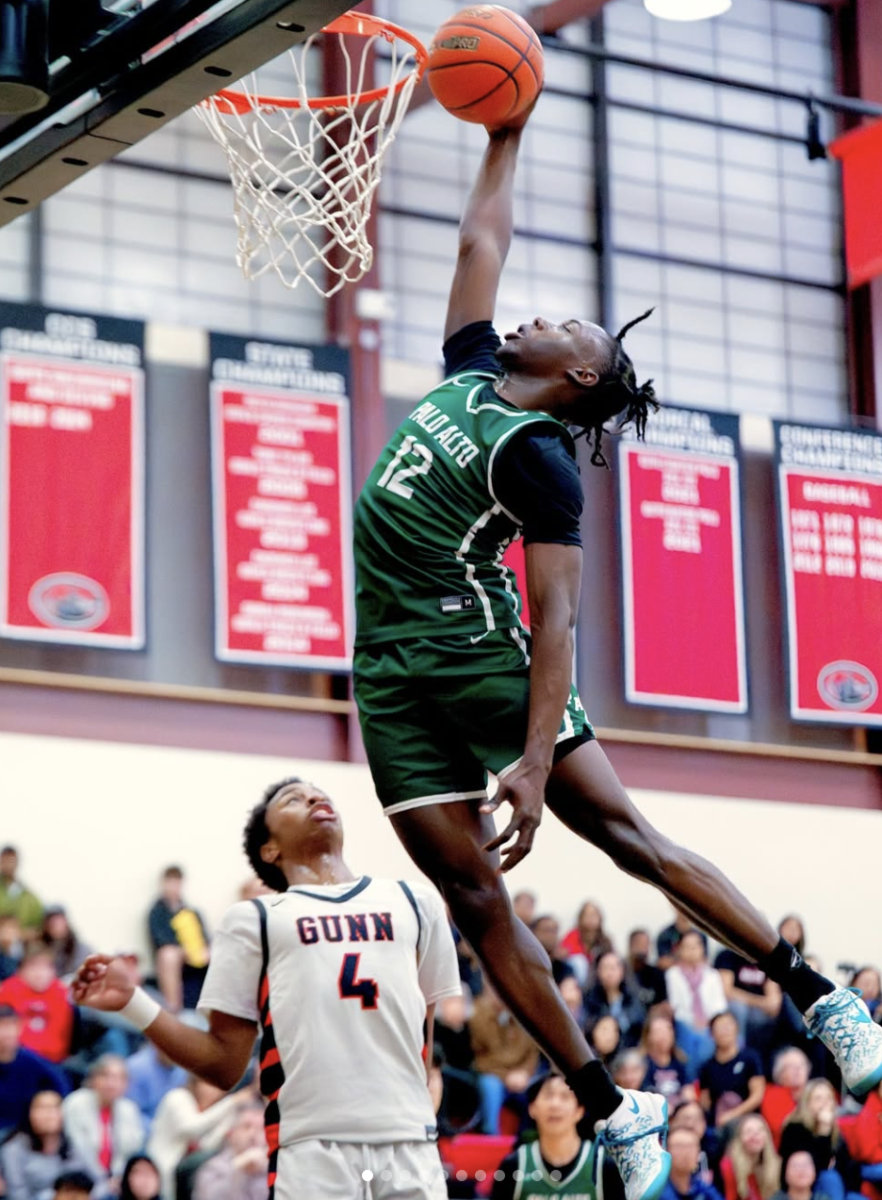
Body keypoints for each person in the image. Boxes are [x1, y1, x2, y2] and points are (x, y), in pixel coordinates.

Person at [350, 103, 882, 1200]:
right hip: (384, 669)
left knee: (630, 839)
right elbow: (479, 244)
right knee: (476, 902)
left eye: (576, 326)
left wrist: (537, 759)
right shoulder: (468, 369)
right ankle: (611, 1108)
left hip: (476, 657)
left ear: (585, 376)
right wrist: (505, 129)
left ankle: (820, 992)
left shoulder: (540, 459)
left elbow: (559, 621)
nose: (546, 316)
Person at [71, 777, 461, 1200]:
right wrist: (133, 1002)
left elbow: (423, 1038)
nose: (314, 797)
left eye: (318, 793)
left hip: (409, 1139)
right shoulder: (253, 919)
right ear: (270, 849)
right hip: (312, 1146)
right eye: (293, 800)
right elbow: (224, 1064)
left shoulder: (415, 901)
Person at [491, 1073, 623, 1200]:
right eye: (548, 1096)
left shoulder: (604, 1166)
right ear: (532, 1108)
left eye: (565, 1096)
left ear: (579, 1111)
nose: (555, 1104)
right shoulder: (513, 1165)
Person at [146, 1074, 252, 1199]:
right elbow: (192, 1128)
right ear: (195, 1083)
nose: (212, 1091)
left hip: (186, 1177)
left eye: (218, 1087)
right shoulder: (178, 1097)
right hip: (160, 1170)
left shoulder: (216, 1110)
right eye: (207, 1084)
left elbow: (207, 1146)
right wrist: (231, 1102)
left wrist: (228, 1118)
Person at [61, 1055, 144, 1195]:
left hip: (116, 1183)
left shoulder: (129, 1110)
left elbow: (131, 1151)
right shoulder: (76, 1103)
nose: (111, 1084)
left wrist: (118, 1179)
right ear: (93, 1079)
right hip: (79, 1177)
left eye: (119, 1078)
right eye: (105, 1076)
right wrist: (104, 1182)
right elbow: (79, 1151)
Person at [469, 982, 539, 1134]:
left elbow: (532, 1053)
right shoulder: (477, 1013)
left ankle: (527, 1138)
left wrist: (525, 1073)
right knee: (490, 1086)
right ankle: (491, 1137)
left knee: (539, 1088)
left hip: (521, 1075)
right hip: (492, 1074)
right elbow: (479, 1057)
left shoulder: (524, 1012)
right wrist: (506, 1075)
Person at [0, 1090, 93, 1200]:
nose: (49, 1114)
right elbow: (17, 1194)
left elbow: (100, 1182)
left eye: (55, 1107)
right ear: (29, 1113)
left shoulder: (75, 1143)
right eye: (41, 1108)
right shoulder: (12, 1149)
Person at [146, 867, 211, 1014]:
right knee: (168, 955)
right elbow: (161, 941)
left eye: (177, 883)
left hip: (197, 954)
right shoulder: (157, 912)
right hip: (175, 957)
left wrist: (204, 950)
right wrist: (184, 951)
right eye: (171, 882)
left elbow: (205, 937)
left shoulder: (192, 912)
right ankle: (174, 1009)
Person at [0, 1004, 69, 1139]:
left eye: (12, 1026)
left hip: (23, 1134)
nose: (7, 1033)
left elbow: (61, 1089)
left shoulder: (34, 1063)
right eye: (2, 1027)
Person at [0, 944, 75, 1065]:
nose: (39, 973)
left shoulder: (61, 993)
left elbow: (60, 1040)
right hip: (13, 1058)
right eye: (33, 966)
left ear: (54, 971)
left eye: (45, 967)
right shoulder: (8, 991)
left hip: (51, 1061)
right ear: (21, 970)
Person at [698, 1012, 765, 1132]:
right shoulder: (707, 1067)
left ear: (737, 1029)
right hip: (719, 1125)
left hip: (748, 1121)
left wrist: (733, 1114)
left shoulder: (750, 1058)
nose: (725, 1031)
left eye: (728, 1025)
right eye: (719, 1027)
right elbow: (705, 1102)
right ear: (712, 1034)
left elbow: (757, 1095)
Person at [192, 1102, 268, 1200]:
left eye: (261, 1129)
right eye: (246, 1127)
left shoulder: (273, 1168)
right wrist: (238, 1167)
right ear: (231, 1132)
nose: (253, 1134)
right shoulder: (213, 1168)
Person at [584, 952, 646, 1048]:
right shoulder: (590, 1000)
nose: (609, 973)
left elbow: (638, 1028)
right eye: (605, 968)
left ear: (622, 971)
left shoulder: (633, 1000)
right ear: (598, 972)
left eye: (613, 968)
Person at [641, 1012, 696, 1109]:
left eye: (667, 1030)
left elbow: (688, 1089)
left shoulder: (680, 1061)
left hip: (678, 1111)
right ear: (648, 1036)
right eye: (658, 1032)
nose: (664, 1036)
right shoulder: (643, 1063)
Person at [720, 1115, 781, 1200]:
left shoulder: (776, 1164)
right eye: (748, 1131)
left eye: (760, 1130)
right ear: (740, 1138)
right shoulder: (729, 1165)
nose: (755, 1135)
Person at [761, 1049, 811, 1149]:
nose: (798, 1069)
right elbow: (781, 1127)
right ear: (780, 1074)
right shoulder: (772, 1095)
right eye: (791, 1066)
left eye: (802, 1065)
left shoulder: (818, 1092)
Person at [660, 1127, 724, 1200]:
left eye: (691, 1147)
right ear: (667, 1151)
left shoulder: (702, 1188)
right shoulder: (657, 1190)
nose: (686, 1153)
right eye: (679, 1147)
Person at [38, 909, 92, 984]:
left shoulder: (80, 949)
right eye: (52, 924)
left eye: (58, 923)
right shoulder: (40, 948)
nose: (56, 927)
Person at [0, 848, 43, 937]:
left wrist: (20, 934)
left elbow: (39, 927)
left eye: (11, 861)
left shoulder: (30, 897)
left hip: (22, 945)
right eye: (5, 861)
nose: (9, 865)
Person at [627, 930, 668, 1012]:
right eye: (639, 943)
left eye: (646, 944)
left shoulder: (657, 974)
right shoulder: (621, 973)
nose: (642, 948)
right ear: (631, 945)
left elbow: (663, 1003)